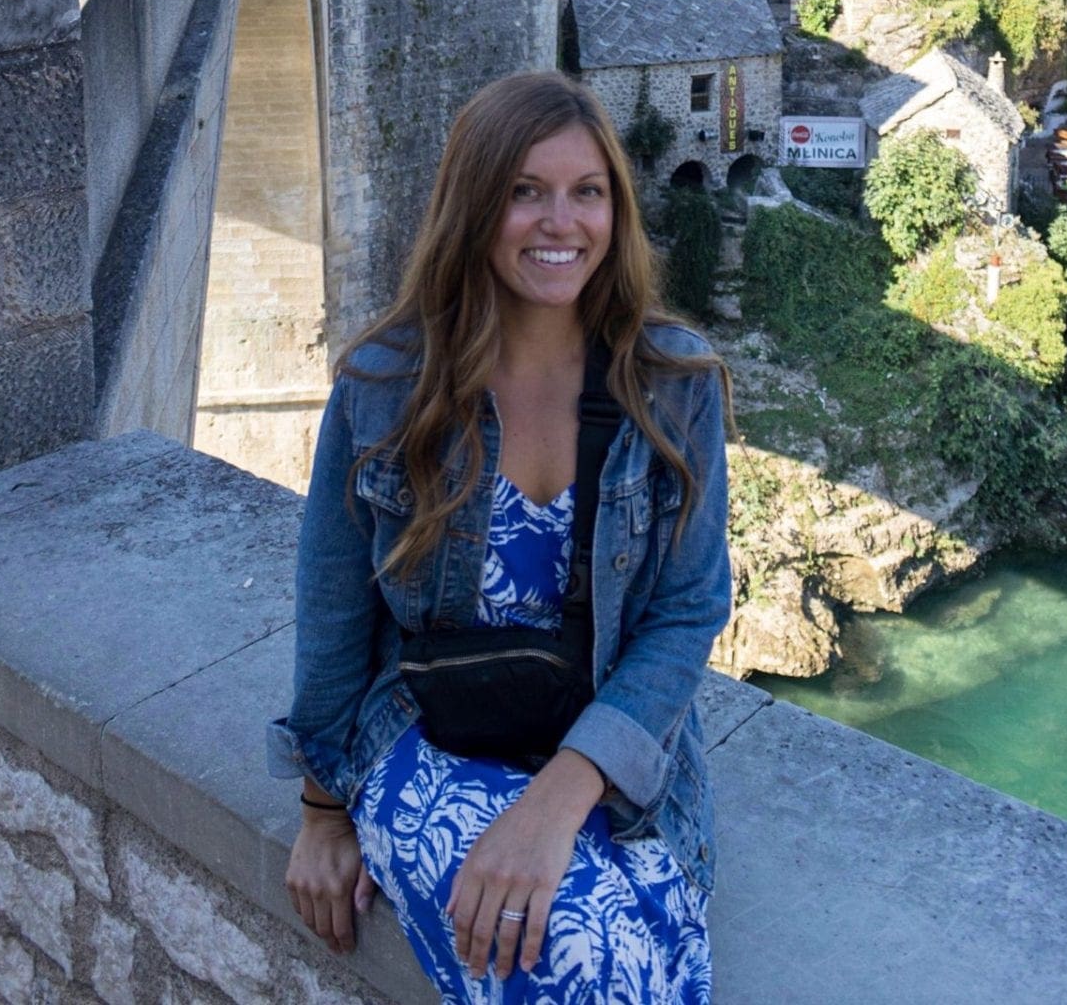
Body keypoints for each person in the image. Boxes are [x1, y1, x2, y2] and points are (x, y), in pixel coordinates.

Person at [271, 70, 732, 1001]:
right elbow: (333, 613)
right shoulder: (385, 386)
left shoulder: (674, 382)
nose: (560, 222)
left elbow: (687, 611)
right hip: (426, 735)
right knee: (565, 949)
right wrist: (323, 811)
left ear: (616, 211)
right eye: (525, 192)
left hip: (604, 743)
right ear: (474, 207)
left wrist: (561, 797)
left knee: (642, 953)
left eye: (587, 192)